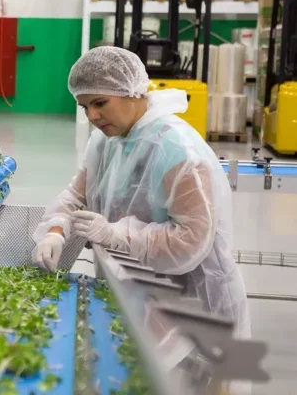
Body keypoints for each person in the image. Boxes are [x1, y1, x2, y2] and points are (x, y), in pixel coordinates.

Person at [32, 46, 250, 340]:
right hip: (134, 296)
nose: (92, 116)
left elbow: (191, 241)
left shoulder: (175, 148)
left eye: (100, 103)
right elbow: (76, 196)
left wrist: (115, 235)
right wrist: (56, 231)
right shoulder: (105, 141)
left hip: (194, 305)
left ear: (132, 91)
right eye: (84, 107)